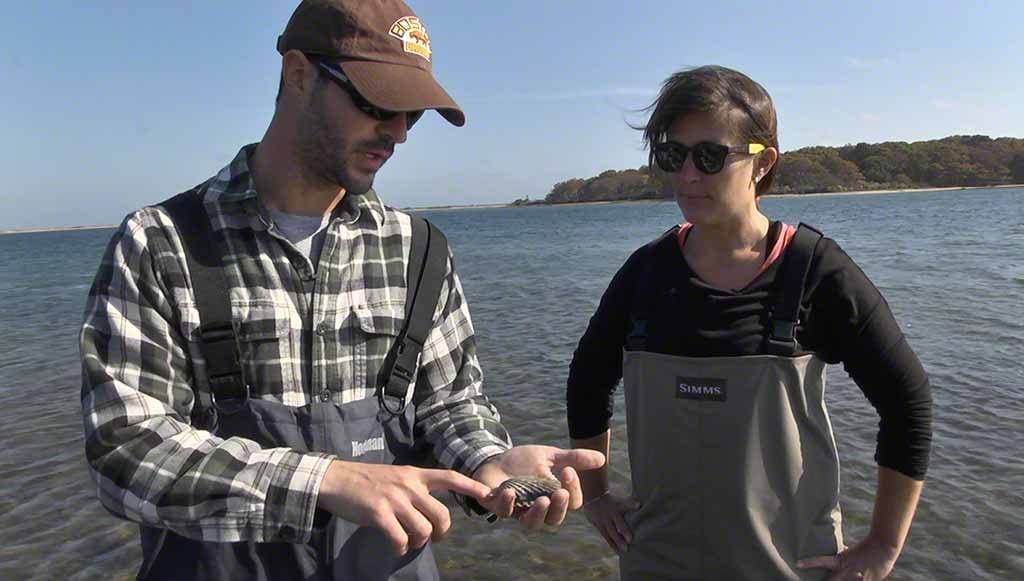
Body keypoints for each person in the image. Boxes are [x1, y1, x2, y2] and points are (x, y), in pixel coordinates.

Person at [80, 1, 603, 579]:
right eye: (378, 103)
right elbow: (124, 452)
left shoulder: (419, 249)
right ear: (298, 73)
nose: (399, 133)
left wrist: (489, 461)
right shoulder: (161, 243)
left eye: (414, 115)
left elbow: (451, 404)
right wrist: (324, 480)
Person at [566, 65, 932, 580]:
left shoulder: (815, 271)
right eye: (674, 155)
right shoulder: (644, 275)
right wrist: (596, 496)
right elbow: (587, 379)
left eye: (711, 156)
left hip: (791, 563)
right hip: (659, 562)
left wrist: (883, 545)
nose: (688, 174)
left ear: (763, 164)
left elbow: (907, 401)